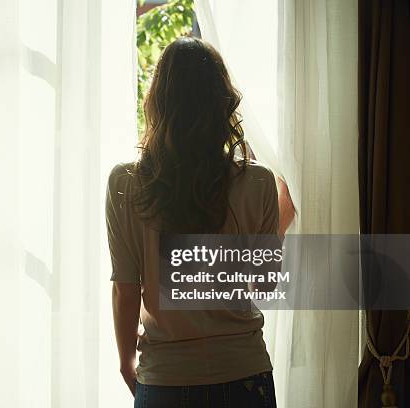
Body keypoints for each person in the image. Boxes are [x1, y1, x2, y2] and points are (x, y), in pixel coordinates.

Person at [106, 37, 295, 408]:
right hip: (244, 375)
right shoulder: (257, 182)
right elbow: (265, 285)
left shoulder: (125, 182)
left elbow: (125, 290)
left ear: (158, 102)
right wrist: (276, 226)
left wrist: (127, 365)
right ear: (222, 103)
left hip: (166, 376)